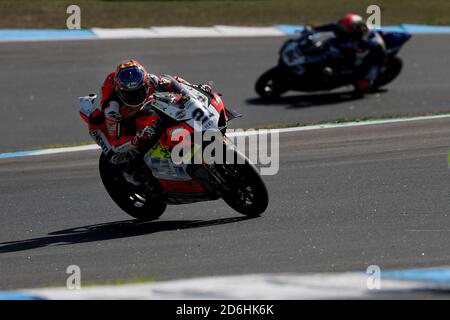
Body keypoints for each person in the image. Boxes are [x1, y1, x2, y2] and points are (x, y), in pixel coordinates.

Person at [87, 59, 211, 186]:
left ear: (146, 83)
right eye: (130, 95)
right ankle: (133, 177)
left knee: (162, 112)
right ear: (120, 91)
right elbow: (115, 142)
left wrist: (196, 89)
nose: (136, 97)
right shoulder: (112, 108)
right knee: (117, 157)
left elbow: (176, 82)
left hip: (139, 110)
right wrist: (136, 139)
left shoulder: (152, 80)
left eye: (140, 91)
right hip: (101, 124)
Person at [305, 13, 387, 92]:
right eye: (342, 26)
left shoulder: (364, 41)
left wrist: (337, 71)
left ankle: (365, 83)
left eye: (345, 28)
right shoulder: (348, 27)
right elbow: (333, 26)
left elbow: (355, 57)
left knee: (363, 82)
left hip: (375, 55)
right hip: (357, 46)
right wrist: (315, 28)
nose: (342, 28)